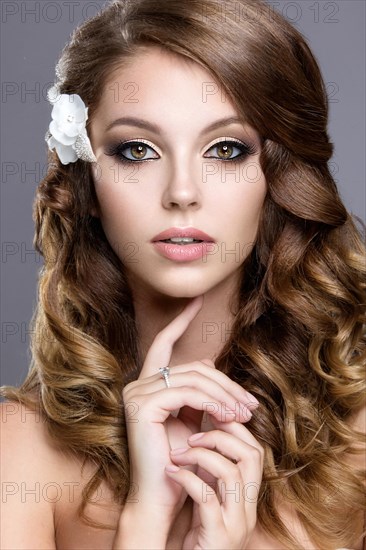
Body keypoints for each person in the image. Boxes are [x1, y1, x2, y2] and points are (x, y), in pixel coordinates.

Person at [1, 0, 365, 548]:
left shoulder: (356, 437)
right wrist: (144, 523)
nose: (182, 193)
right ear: (88, 182)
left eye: (225, 148)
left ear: (276, 175)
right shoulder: (22, 451)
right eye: (137, 151)